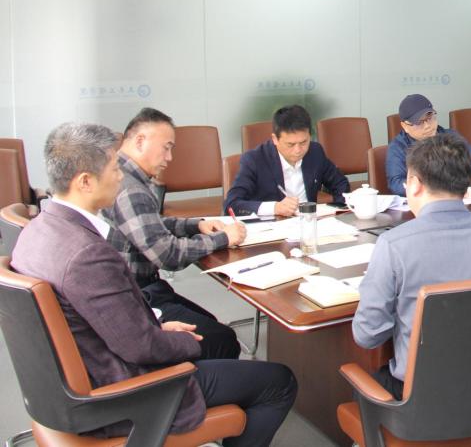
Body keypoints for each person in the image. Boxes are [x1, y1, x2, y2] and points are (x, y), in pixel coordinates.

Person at [11, 122, 296, 445]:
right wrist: (182, 342)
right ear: (85, 181)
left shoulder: (38, 229)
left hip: (76, 381)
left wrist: (158, 328)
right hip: (123, 394)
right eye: (113, 169)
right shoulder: (87, 255)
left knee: (217, 341)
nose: (120, 176)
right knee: (279, 381)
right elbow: (140, 347)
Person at [353, 133, 471, 399]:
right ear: (466, 185)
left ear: (414, 184)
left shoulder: (394, 245)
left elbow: (367, 335)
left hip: (422, 398)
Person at [104, 108, 245, 360]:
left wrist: (195, 225)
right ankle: (195, 382)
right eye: (166, 148)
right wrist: (223, 238)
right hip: (139, 296)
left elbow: (148, 224)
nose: (169, 158)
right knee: (223, 339)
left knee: (213, 325)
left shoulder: (119, 174)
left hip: (133, 288)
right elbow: (168, 255)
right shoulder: (130, 189)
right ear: (140, 141)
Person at [224, 104, 350, 216]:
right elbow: (231, 204)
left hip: (309, 222)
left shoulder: (315, 152)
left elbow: (340, 183)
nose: (298, 150)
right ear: (275, 139)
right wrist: (275, 208)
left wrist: (338, 210)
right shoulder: (255, 160)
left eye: (304, 142)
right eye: (290, 144)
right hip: (272, 227)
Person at [386, 94, 471, 197]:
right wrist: (438, 190)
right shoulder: (398, 147)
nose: (427, 126)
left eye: (430, 118)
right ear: (405, 126)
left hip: (460, 201)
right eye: (419, 122)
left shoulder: (450, 137)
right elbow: (397, 184)